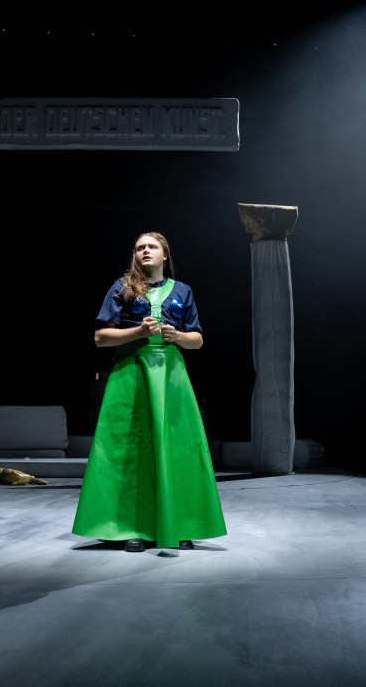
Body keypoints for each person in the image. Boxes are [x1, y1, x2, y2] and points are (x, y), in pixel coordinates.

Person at [72, 231, 227, 552]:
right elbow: (101, 338)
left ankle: (180, 525)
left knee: (179, 448)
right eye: (139, 247)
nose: (145, 251)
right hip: (131, 373)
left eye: (152, 246)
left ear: (164, 255)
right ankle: (133, 527)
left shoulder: (182, 291)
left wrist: (177, 336)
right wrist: (139, 332)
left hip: (171, 377)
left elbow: (197, 340)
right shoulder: (122, 287)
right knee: (130, 450)